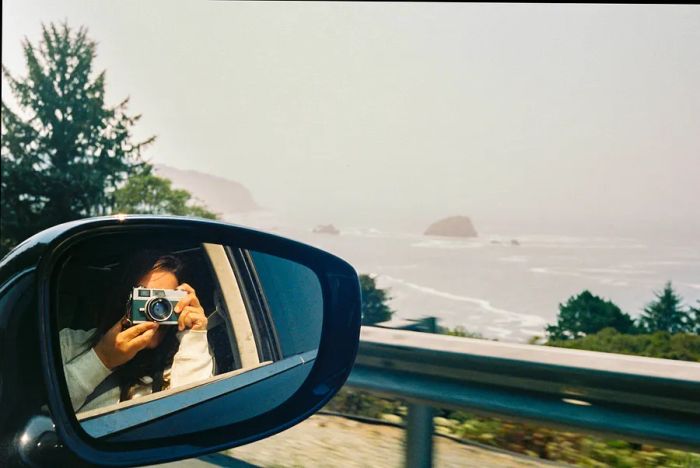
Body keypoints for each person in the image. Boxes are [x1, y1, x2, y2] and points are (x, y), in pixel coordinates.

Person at [59, 251, 214, 413]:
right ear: (122, 299)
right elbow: (43, 407)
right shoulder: (69, 344)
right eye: (144, 295)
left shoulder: (185, 357)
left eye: (164, 300)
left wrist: (194, 335)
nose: (155, 308)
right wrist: (102, 358)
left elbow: (194, 414)